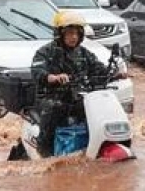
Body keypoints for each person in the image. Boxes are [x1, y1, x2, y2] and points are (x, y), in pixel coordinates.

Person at [31, 11, 119, 158]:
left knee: (94, 110)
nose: (73, 37)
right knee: (54, 108)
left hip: (75, 97)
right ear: (60, 34)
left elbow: (98, 69)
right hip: (50, 96)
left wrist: (115, 74)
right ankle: (45, 151)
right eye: (70, 33)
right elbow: (36, 71)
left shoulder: (84, 53)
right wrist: (52, 77)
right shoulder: (45, 52)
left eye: (76, 34)